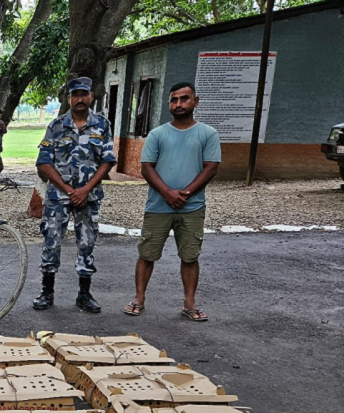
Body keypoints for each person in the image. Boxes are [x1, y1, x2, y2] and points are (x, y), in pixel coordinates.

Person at [124, 82, 220, 322]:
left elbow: (211, 167)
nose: (179, 104)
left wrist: (185, 193)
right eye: (174, 100)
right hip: (158, 206)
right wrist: (167, 193)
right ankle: (138, 298)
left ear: (195, 102)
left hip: (192, 207)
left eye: (184, 99)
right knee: (147, 253)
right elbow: (147, 168)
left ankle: (190, 302)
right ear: (169, 104)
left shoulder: (208, 134)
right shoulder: (158, 134)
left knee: (189, 256)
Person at [33, 76, 116, 313]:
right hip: (58, 198)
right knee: (51, 241)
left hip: (88, 198)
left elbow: (107, 160)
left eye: (83, 94)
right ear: (69, 98)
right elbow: (44, 162)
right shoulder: (56, 126)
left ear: (91, 96)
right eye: (75, 95)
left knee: (87, 243)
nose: (79, 99)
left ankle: (84, 294)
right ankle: (46, 292)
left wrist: (85, 189)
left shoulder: (102, 125)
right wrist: (70, 190)